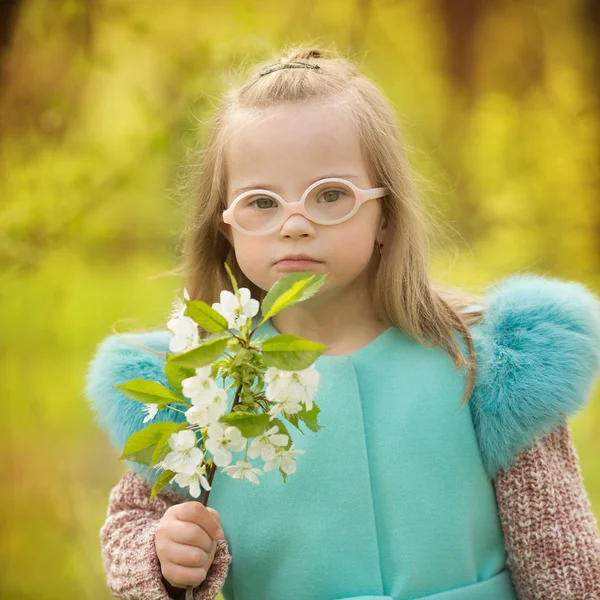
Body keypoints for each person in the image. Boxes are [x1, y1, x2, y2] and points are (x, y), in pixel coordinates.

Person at [84, 46, 600, 600]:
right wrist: (163, 556)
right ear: (226, 226)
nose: (295, 224)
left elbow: (560, 555)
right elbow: (132, 525)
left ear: (386, 215)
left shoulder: (488, 364)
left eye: (332, 195)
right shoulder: (198, 382)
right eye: (262, 202)